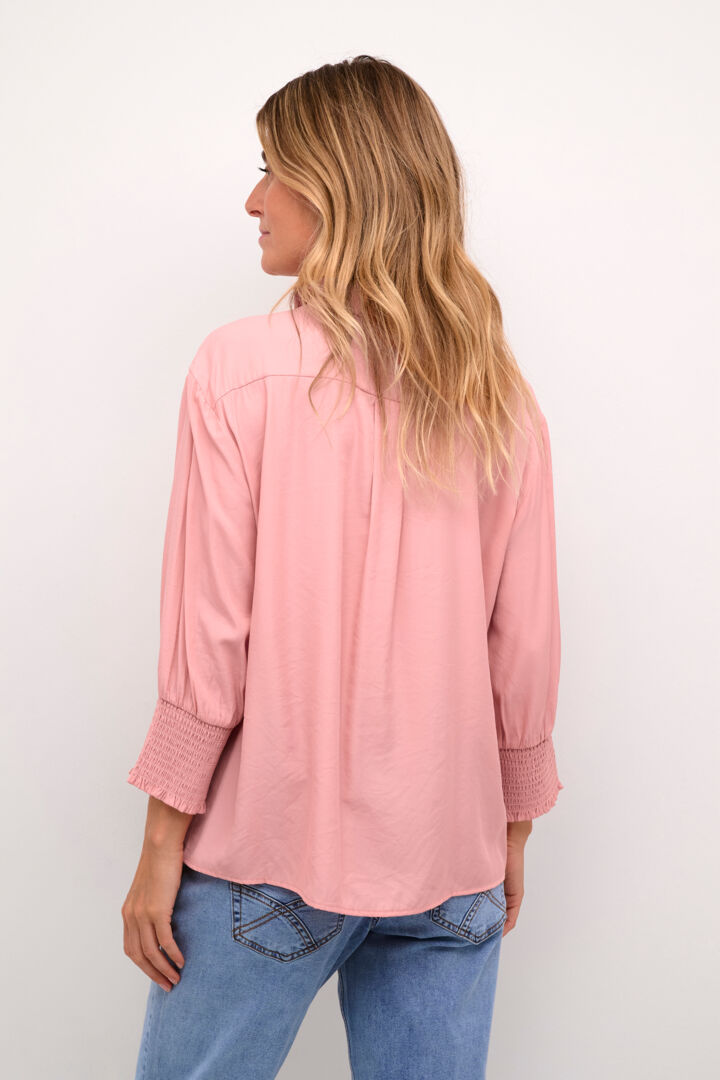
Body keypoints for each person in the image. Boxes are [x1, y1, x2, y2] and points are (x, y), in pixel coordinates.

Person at [122, 55, 563, 1080]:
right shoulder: (499, 397)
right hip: (453, 857)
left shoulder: (238, 369)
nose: (253, 201)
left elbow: (210, 638)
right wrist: (511, 833)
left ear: (338, 186)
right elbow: (527, 646)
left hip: (271, 851)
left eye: (271, 169)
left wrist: (158, 852)